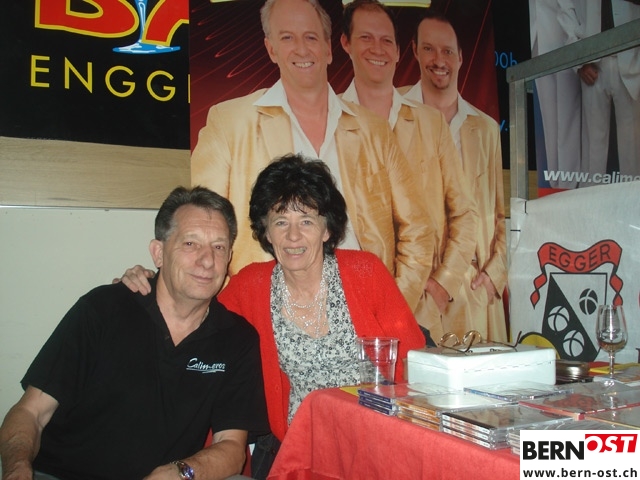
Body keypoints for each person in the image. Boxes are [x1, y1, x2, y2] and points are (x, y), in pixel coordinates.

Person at [118, 154, 427, 479]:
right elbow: (195, 311)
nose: (293, 236)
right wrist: (148, 282)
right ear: (266, 231)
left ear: (326, 229)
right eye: (280, 222)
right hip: (302, 452)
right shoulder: (250, 286)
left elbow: (415, 363)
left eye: (306, 221)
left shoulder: (366, 272)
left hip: (377, 443)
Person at [0, 187, 269, 480]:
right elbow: (31, 412)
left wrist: (182, 473)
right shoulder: (103, 309)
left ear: (229, 257)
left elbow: (231, 447)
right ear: (158, 253)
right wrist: (17, 469)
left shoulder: (237, 338)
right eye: (190, 243)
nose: (207, 260)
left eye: (218, 247)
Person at [191, 0, 433, 315]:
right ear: (271, 49)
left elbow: (418, 229)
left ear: (329, 49)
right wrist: (236, 317)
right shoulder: (230, 122)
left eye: (311, 37)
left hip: (365, 312)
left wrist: (392, 308)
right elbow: (202, 229)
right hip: (267, 316)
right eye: (287, 37)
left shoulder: (374, 130)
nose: (302, 49)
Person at [339, 0, 478, 344]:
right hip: (355, 309)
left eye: (387, 40)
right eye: (366, 38)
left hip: (425, 311)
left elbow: (465, 214)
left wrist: (443, 283)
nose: (377, 49)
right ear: (345, 44)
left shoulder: (431, 123)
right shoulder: (332, 122)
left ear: (400, 51)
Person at [401, 11, 509, 342]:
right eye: (429, 49)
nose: (439, 60)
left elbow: (501, 214)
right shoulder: (394, 115)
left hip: (475, 290)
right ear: (415, 51)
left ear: (461, 57)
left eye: (447, 51)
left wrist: (494, 276)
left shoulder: (486, 129)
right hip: (417, 292)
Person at [558, 0, 640, 185]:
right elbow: (565, 7)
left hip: (632, 55)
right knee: (593, 150)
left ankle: (635, 202)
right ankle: (589, 200)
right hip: (592, 58)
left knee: (633, 148)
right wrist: (579, 59)